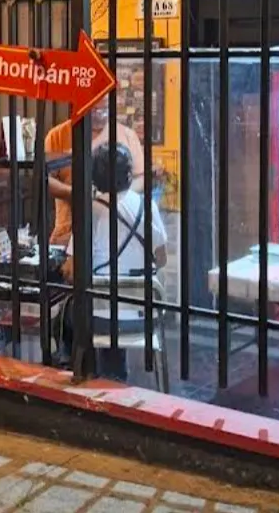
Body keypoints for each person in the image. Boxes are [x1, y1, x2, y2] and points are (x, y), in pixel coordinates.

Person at [60, 142, 167, 380]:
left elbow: (71, 271)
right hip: (144, 317)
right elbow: (161, 259)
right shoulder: (147, 207)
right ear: (129, 174)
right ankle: (112, 374)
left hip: (100, 318)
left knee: (67, 312)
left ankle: (80, 372)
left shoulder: (91, 211)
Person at [45, 104, 145, 246]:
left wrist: (113, 198)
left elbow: (141, 177)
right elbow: (44, 179)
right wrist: (75, 193)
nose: (100, 111)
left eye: (104, 106)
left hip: (118, 233)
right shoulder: (58, 135)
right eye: (94, 106)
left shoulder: (127, 135)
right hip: (68, 233)